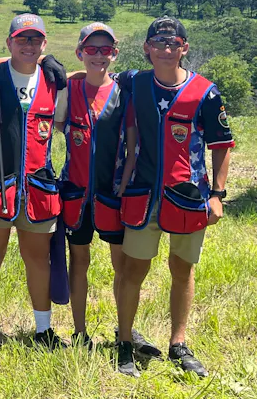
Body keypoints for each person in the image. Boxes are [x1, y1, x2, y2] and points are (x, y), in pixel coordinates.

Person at [113, 16, 233, 378]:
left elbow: (222, 145)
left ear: (184, 48)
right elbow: (94, 74)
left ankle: (178, 343)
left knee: (182, 270)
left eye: (173, 43)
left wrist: (218, 195)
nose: (166, 49)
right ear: (147, 48)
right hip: (143, 194)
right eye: (158, 42)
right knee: (133, 270)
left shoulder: (205, 92)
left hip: (188, 196)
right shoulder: (134, 82)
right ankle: (124, 342)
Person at [0, 13, 68, 354]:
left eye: (35, 39)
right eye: (22, 38)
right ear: (8, 42)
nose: (28, 45)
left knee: (38, 260)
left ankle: (43, 331)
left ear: (44, 43)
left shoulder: (54, 81)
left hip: (38, 189)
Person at [57, 23, 162, 357]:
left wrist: (122, 188)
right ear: (80, 53)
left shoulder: (122, 93)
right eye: (92, 49)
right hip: (75, 193)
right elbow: (57, 126)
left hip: (111, 194)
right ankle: (79, 331)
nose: (99, 55)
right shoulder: (68, 90)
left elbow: (131, 147)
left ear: (115, 54)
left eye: (105, 50)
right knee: (79, 261)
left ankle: (125, 330)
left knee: (122, 265)